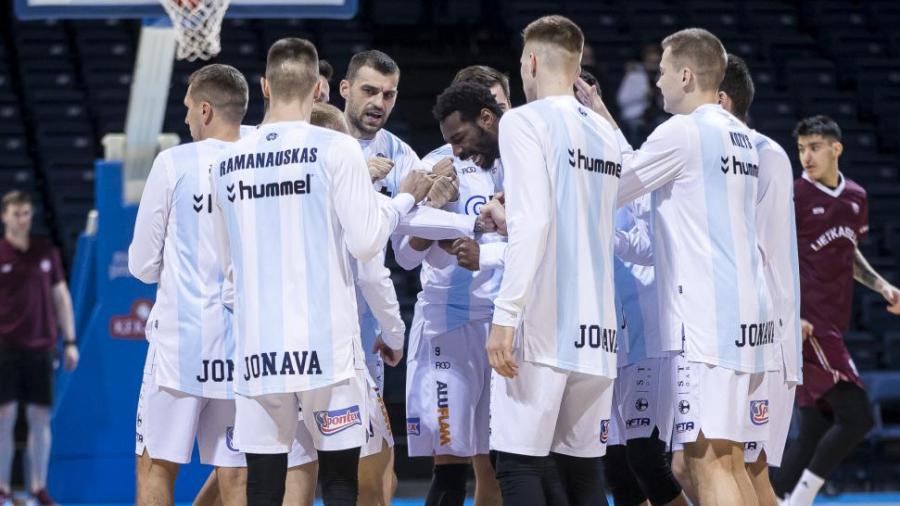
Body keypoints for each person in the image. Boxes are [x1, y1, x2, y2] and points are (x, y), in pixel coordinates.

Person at [209, 38, 432, 506]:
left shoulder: (225, 160)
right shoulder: (337, 147)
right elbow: (367, 243)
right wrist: (403, 200)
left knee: (264, 484)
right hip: (326, 348)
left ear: (265, 86)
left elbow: (227, 271)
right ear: (318, 89)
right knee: (339, 482)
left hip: (259, 347)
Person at [576, 28, 773, 505]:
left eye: (662, 72)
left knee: (705, 460)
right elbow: (644, 170)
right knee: (729, 459)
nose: (657, 81)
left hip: (704, 321)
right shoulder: (741, 137)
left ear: (686, 75)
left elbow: (613, 186)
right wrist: (601, 113)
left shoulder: (682, 131)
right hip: (746, 315)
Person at [488, 15, 622, 506]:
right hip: (599, 332)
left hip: (545, 325)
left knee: (517, 463)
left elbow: (534, 223)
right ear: (577, 67)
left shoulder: (524, 120)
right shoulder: (606, 133)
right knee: (582, 472)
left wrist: (506, 315)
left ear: (531, 62)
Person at [129, 63, 254, 506]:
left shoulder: (174, 162)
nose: (184, 118)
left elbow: (142, 265)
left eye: (187, 108)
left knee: (156, 467)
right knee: (236, 476)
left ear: (205, 110)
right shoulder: (262, 160)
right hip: (243, 348)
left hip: (179, 350)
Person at [339, 49, 456, 506]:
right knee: (288, 467)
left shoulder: (400, 154)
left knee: (376, 466)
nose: (379, 102)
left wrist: (440, 204)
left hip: (363, 331)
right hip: (313, 320)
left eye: (388, 95)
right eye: (369, 91)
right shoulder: (319, 140)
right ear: (345, 89)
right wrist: (356, 178)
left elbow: (406, 256)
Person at [774, 115, 900, 506]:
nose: (806, 157)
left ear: (836, 149)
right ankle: (799, 500)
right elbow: (772, 255)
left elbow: (849, 252)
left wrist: (882, 286)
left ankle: (772, 498)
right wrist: (787, 313)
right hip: (808, 324)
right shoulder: (794, 195)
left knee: (816, 425)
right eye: (801, 149)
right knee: (858, 417)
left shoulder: (856, 196)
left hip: (833, 321)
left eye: (814, 147)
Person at [398, 79, 509, 506]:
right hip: (451, 326)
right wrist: (433, 210)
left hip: (503, 325)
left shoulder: (519, 161)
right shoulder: (437, 163)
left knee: (500, 466)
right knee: (450, 466)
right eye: (454, 138)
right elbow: (405, 255)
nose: (458, 149)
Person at [716, 54, 803, 506]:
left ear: (721, 99)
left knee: (748, 470)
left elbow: (759, 251)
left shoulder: (764, 154)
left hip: (766, 340)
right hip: (735, 337)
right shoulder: (724, 154)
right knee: (702, 464)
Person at [604, 192, 690, 506]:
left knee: (646, 459)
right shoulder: (574, 180)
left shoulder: (639, 177)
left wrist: (603, 235)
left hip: (649, 336)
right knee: (618, 468)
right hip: (605, 341)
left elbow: (657, 246)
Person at [0, 191, 78, 506]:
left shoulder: (46, 251)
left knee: (40, 418)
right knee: (4, 417)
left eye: (26, 213)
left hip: (41, 347)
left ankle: (38, 487)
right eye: (16, 213)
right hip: (5, 348)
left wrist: (70, 340)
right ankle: (3, 489)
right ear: (4, 216)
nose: (22, 219)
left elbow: (61, 297)